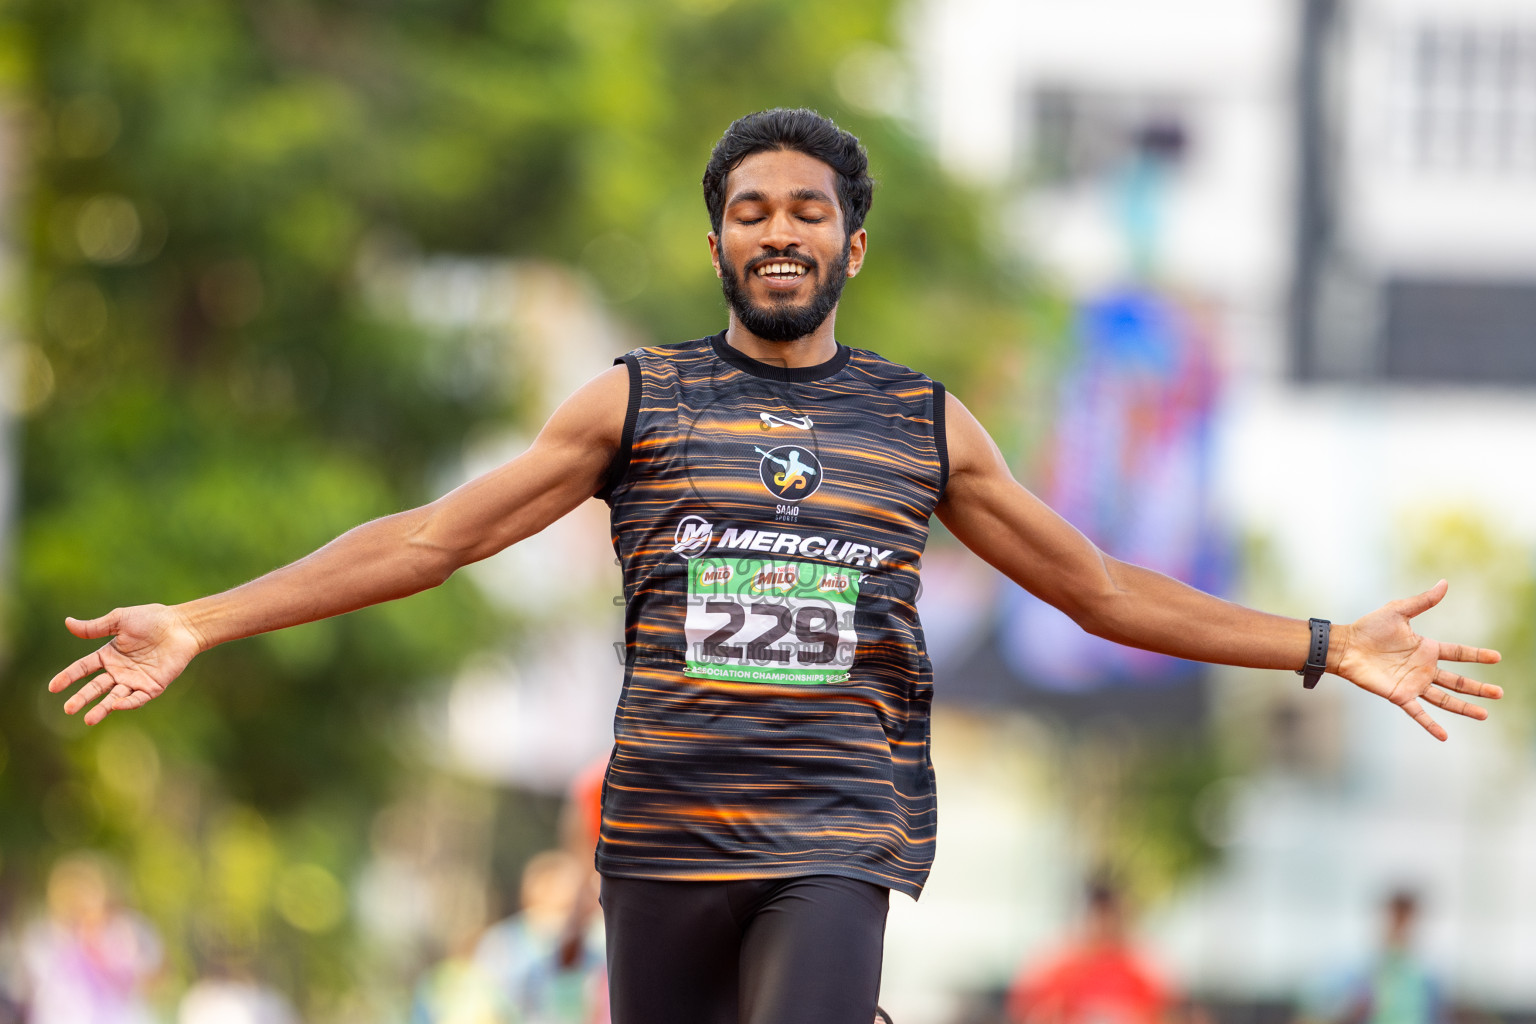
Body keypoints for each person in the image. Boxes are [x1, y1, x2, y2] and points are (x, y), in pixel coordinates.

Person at [47, 109, 1502, 1024]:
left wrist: (1325, 642)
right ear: (717, 246)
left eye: (808, 211)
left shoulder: (925, 425)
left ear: (852, 247)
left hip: (832, 836)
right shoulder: (636, 402)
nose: (780, 231)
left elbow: (1101, 589)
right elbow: (434, 539)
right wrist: (202, 620)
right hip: (661, 840)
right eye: (752, 212)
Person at [1006, 879, 1171, 1024]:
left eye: (1109, 917)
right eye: (1098, 917)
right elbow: (1028, 1011)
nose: (1103, 925)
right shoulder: (1059, 969)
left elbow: (1160, 1013)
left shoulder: (1137, 970)